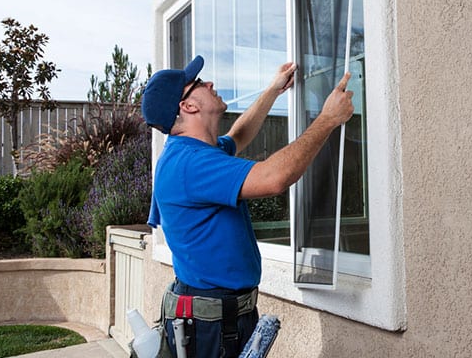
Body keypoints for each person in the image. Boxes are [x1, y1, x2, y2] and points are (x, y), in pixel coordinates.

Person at [141, 55, 353, 358]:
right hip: (210, 327)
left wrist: (273, 90)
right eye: (199, 83)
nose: (210, 83)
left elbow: (239, 136)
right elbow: (275, 178)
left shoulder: (197, 151)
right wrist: (328, 119)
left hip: (219, 316)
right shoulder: (191, 165)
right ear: (188, 106)